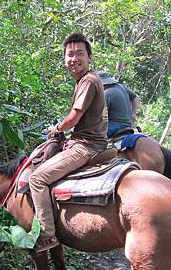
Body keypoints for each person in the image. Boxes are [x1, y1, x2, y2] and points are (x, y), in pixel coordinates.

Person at [29, 33, 108, 253]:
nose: (74, 58)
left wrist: (57, 128)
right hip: (90, 141)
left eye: (79, 54)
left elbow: (73, 118)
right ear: (64, 59)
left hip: (86, 146)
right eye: (69, 54)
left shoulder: (88, 81)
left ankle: (48, 235)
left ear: (89, 57)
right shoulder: (85, 80)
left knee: (37, 179)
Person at [97, 71, 140, 138]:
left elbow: (101, 116)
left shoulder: (106, 94)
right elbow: (136, 97)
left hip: (115, 125)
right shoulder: (121, 86)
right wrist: (133, 113)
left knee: (95, 137)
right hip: (128, 124)